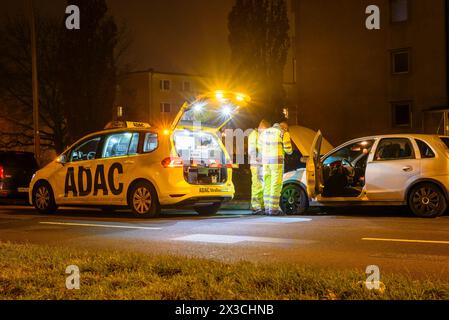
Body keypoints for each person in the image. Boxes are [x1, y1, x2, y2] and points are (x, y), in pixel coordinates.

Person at [259, 120, 293, 216]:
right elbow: (288, 150)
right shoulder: (283, 133)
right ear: (285, 128)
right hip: (276, 162)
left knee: (267, 185)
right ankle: (274, 210)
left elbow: (260, 148)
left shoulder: (264, 133)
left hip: (265, 162)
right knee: (276, 185)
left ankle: (267, 208)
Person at [248, 119, 271, 215]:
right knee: (257, 186)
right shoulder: (254, 134)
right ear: (261, 128)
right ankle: (256, 207)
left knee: (262, 186)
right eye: (265, 130)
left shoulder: (260, 135)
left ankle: (260, 206)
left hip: (261, 164)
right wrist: (258, 158)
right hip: (256, 164)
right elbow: (252, 150)